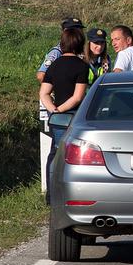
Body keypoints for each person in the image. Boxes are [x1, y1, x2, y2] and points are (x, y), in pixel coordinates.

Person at [39, 27, 92, 180]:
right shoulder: (82, 66)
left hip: (57, 119)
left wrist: (54, 110)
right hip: (75, 116)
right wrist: (61, 110)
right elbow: (78, 97)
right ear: (80, 44)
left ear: (62, 44)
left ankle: (51, 189)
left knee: (55, 152)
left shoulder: (54, 65)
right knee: (76, 154)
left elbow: (44, 93)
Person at [37, 16, 84, 80]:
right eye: (74, 30)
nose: (79, 33)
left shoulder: (81, 51)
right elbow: (41, 75)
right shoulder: (57, 52)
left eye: (80, 29)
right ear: (65, 32)